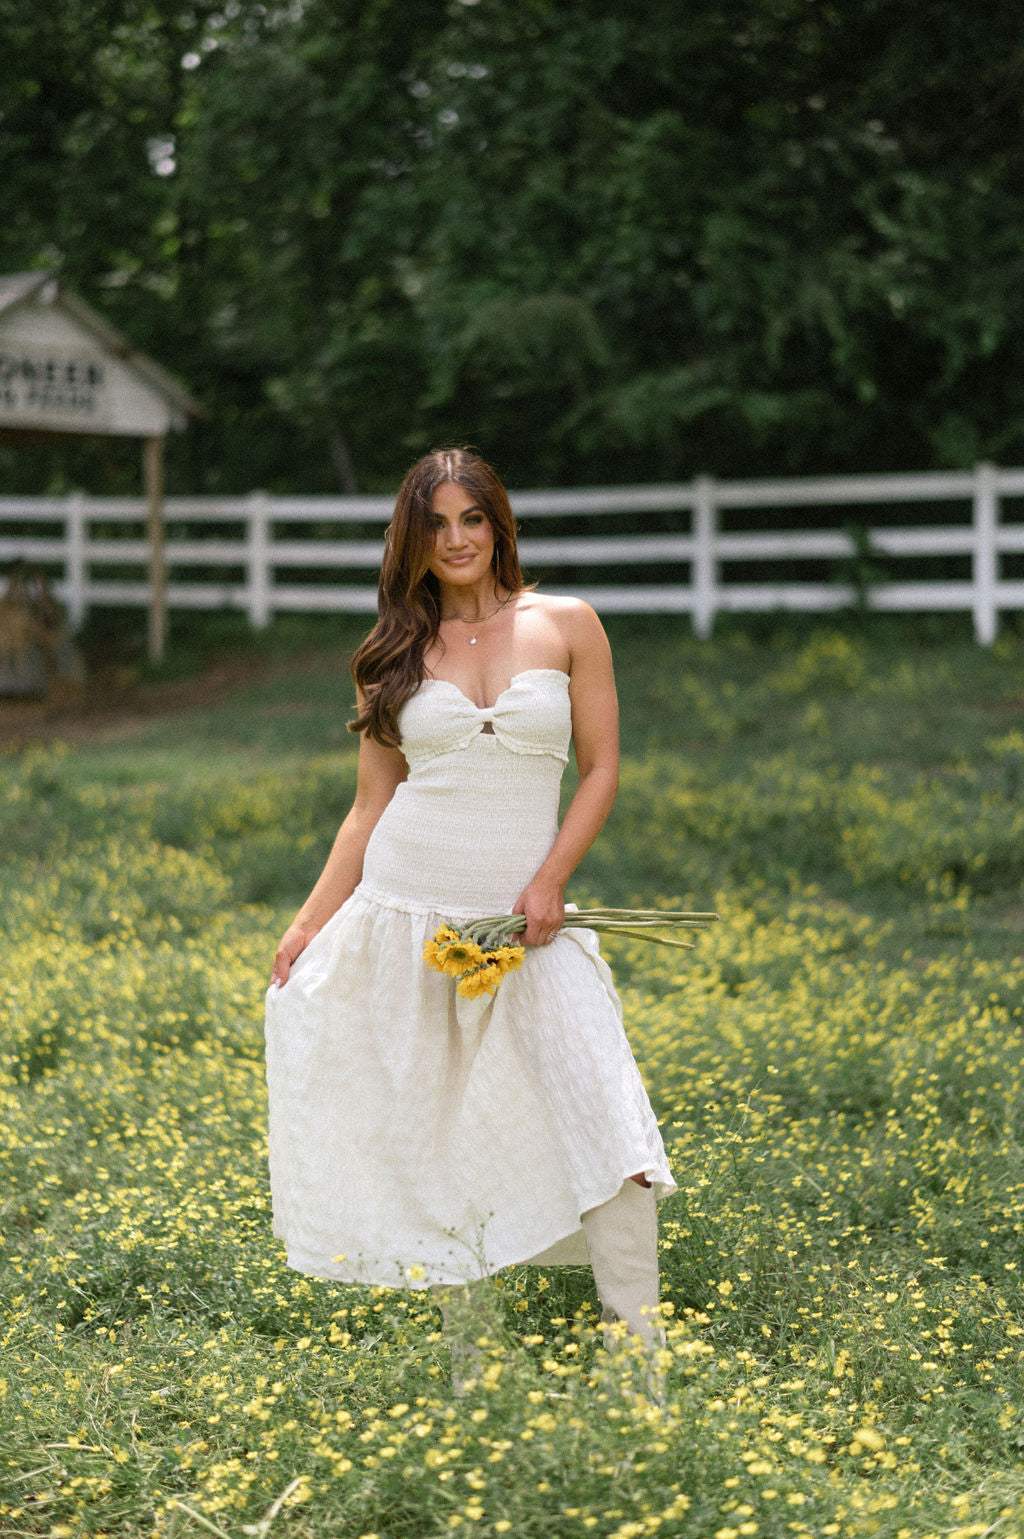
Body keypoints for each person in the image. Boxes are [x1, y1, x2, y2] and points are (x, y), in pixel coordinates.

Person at [265, 448, 675, 1375]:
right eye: (437, 523)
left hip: (533, 924)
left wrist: (552, 878)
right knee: (447, 1137)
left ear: (500, 524)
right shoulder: (391, 654)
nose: (457, 540)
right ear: (413, 538)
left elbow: (602, 766)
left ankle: (643, 1369)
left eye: (473, 519)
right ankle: (471, 1371)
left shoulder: (566, 623)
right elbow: (369, 809)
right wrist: (305, 925)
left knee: (613, 1127)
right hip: (416, 919)